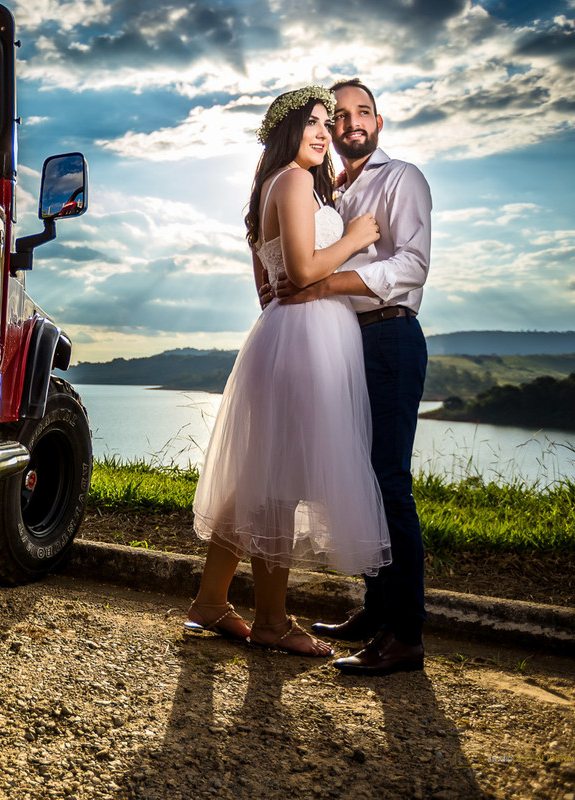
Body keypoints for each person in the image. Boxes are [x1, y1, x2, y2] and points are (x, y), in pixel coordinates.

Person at [184, 86, 391, 656]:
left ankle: (210, 599)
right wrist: (354, 237)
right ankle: (272, 620)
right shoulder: (297, 182)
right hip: (305, 341)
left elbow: (266, 287)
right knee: (282, 484)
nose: (324, 133)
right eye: (313, 124)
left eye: (328, 124)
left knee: (261, 474)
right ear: (286, 132)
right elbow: (299, 272)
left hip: (283, 334)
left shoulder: (268, 190)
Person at [273, 79, 433, 676]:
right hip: (347, 341)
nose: (349, 122)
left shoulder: (402, 179)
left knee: (389, 479)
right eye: (338, 115)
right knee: (361, 478)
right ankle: (374, 609)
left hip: (389, 334)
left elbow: (411, 266)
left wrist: (323, 283)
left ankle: (405, 634)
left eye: (362, 111)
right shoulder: (330, 190)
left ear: (380, 122)